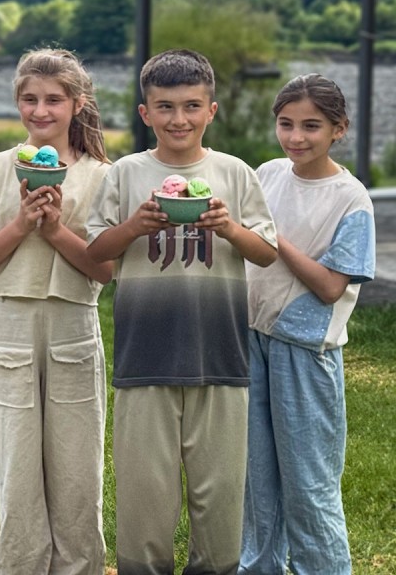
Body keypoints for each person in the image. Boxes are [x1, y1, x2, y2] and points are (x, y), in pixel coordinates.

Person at [86, 48, 278, 575]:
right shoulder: (126, 174)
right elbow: (95, 252)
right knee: (146, 501)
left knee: (219, 506)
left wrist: (229, 227)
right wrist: (135, 226)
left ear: (210, 110)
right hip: (144, 358)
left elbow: (267, 251)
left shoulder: (233, 174)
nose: (179, 119)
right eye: (165, 107)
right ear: (145, 113)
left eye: (192, 106)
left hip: (221, 359)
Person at [0, 48, 113, 574]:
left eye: (53, 100)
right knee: (18, 466)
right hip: (9, 322)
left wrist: (54, 230)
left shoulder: (102, 175)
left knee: (77, 468)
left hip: (73, 321)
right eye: (30, 99)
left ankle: (79, 567)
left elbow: (104, 269)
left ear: (77, 104)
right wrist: (22, 225)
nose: (40, 110)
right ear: (17, 103)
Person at [240, 74, 375, 574]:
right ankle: (258, 568)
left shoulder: (351, 198)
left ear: (338, 128)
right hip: (252, 338)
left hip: (305, 349)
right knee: (256, 480)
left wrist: (273, 239)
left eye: (311, 126)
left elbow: (330, 287)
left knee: (308, 483)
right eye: (286, 124)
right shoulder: (268, 174)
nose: (296, 137)